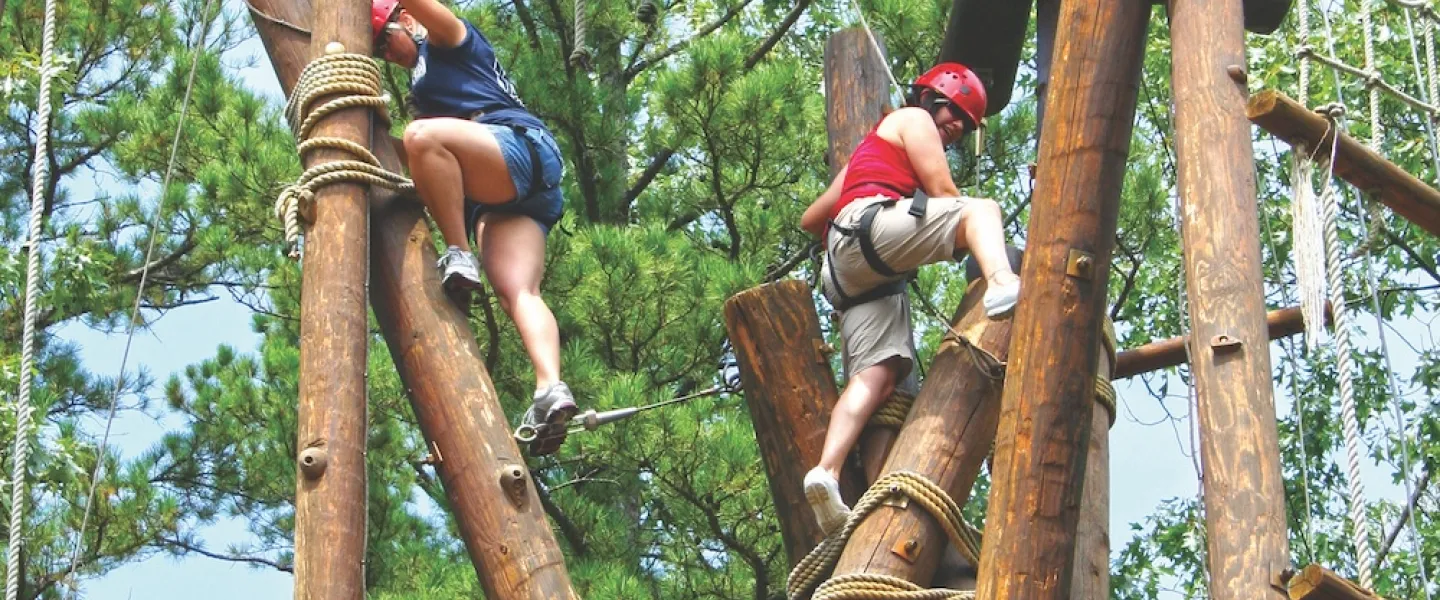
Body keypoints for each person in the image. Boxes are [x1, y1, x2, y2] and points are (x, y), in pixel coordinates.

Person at [797, 62, 1022, 534]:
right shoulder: (914, 120)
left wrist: (869, 204)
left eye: (963, 124)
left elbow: (811, 218)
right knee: (981, 211)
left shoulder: (869, 151)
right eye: (954, 112)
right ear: (931, 98)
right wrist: (968, 239)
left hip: (851, 275)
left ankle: (829, 473)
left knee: (882, 379)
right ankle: (1003, 280)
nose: (955, 127)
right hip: (868, 234)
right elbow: (944, 193)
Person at [371, 0, 576, 449]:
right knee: (517, 292)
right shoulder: (424, 96)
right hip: (501, 197)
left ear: (406, 21)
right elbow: (422, 158)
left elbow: (423, 142)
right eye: (376, 48)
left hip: (515, 148)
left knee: (420, 136)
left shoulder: (448, 43)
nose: (385, 52)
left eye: (385, 37)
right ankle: (550, 388)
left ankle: (458, 252)